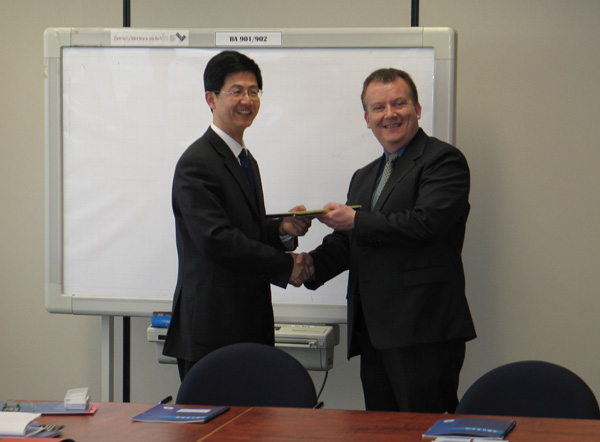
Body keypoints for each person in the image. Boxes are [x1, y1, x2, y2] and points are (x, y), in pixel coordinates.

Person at [299, 68, 476, 412]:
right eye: (378, 107)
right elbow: (351, 240)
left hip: (423, 331)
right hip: (375, 334)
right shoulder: (364, 177)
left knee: (422, 430)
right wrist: (309, 265)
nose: (390, 114)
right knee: (380, 431)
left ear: (417, 109)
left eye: (399, 103)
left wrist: (356, 220)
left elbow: (426, 223)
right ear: (367, 119)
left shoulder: (443, 161)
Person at [163, 50, 312, 381]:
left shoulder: (245, 159)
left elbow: (243, 230)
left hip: (247, 326)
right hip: (212, 331)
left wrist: (282, 229)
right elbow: (217, 240)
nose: (247, 100)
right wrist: (285, 265)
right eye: (237, 91)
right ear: (211, 99)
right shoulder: (197, 162)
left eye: (253, 91)